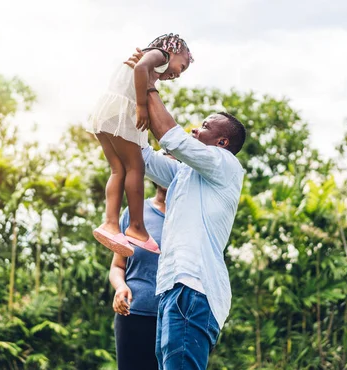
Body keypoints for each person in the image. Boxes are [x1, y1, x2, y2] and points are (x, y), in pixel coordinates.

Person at [124, 50, 247, 369]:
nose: (196, 130)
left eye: (205, 127)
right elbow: (142, 157)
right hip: (171, 290)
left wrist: (150, 78)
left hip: (194, 289)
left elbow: (171, 137)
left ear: (221, 142)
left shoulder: (225, 164)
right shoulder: (183, 174)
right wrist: (132, 89)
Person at [88, 34, 194, 257]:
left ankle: (110, 224)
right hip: (122, 113)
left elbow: (140, 71)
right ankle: (137, 228)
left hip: (106, 114)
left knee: (118, 170)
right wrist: (141, 107)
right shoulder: (160, 55)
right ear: (172, 50)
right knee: (136, 167)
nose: (177, 75)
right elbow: (139, 70)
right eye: (181, 66)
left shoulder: (151, 63)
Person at [110, 182, 166, 370]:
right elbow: (118, 266)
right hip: (133, 315)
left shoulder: (188, 216)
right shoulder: (135, 213)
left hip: (173, 320)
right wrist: (120, 287)